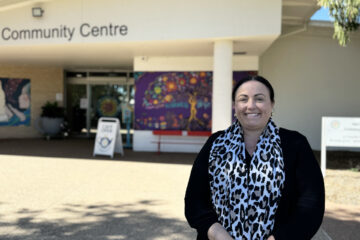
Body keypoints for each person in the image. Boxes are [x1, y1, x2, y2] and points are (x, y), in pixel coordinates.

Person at [185, 75, 325, 240]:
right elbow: (195, 200)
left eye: (259, 99)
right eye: (243, 99)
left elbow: (310, 204)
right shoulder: (215, 144)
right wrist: (217, 234)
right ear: (235, 106)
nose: (250, 106)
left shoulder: (295, 144)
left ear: (272, 104)